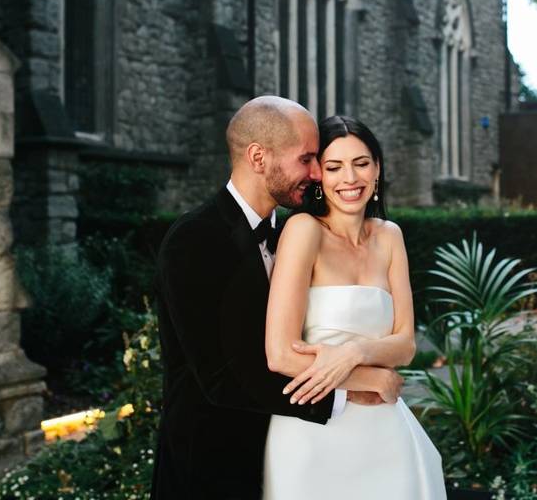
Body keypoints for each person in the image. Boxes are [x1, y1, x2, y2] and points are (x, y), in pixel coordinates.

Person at [151, 97, 403, 499]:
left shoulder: (294, 231)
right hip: (212, 465)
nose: (318, 173)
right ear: (257, 157)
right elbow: (223, 378)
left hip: (287, 453)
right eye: (307, 159)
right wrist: (352, 389)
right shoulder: (194, 239)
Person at [262, 115, 447, 499]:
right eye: (334, 167)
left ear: (377, 169)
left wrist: (354, 352)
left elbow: (406, 343)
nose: (350, 178)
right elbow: (280, 354)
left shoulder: (390, 236)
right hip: (313, 431)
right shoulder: (303, 230)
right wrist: (372, 377)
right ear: (319, 176)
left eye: (361, 163)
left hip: (383, 429)